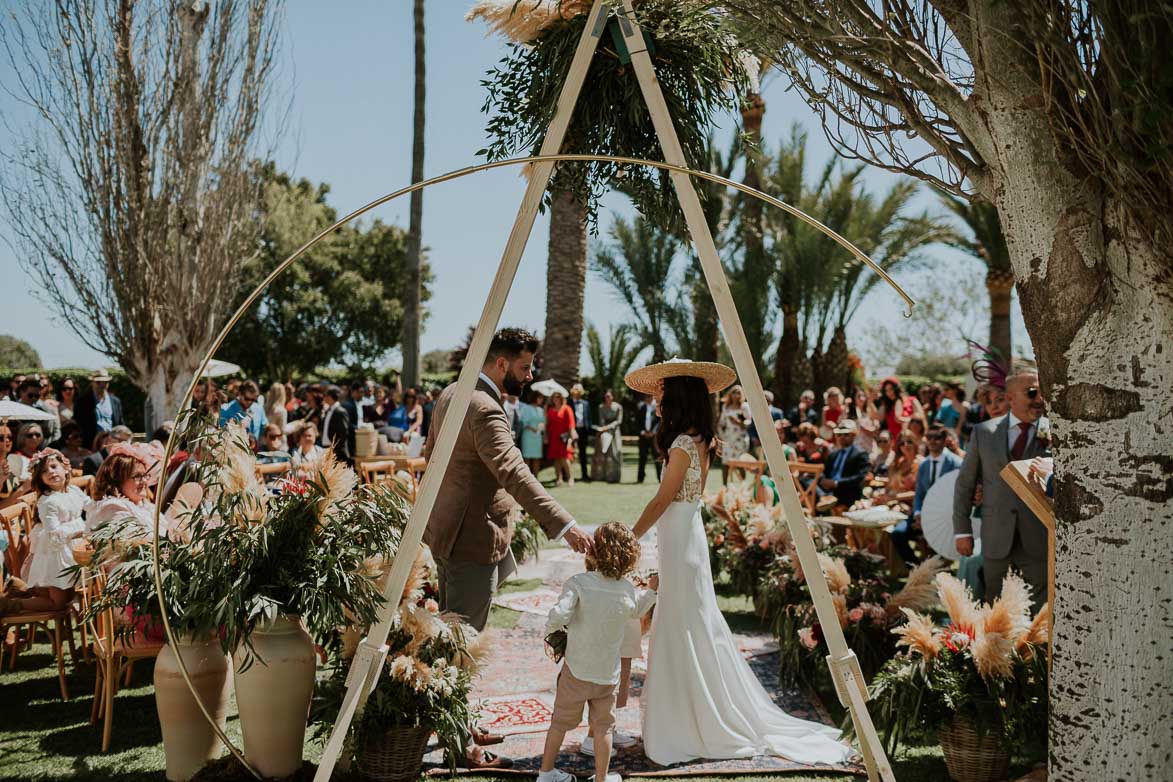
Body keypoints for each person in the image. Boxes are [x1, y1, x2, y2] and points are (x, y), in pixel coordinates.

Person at [626, 359, 851, 767]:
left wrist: (628, 536)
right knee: (688, 620)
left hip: (680, 536)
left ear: (677, 395)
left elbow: (663, 499)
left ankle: (687, 722)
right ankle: (689, 711)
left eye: (661, 390)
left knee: (683, 622)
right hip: (684, 535)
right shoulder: (698, 439)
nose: (655, 397)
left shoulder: (681, 445)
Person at [423, 328, 593, 770]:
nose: (530, 374)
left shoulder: (451, 393)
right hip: (470, 538)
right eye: (524, 366)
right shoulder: (484, 407)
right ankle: (461, 745)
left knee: (453, 635)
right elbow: (514, 472)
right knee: (463, 644)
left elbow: (431, 455)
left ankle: (457, 722)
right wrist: (566, 526)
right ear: (501, 364)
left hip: (448, 532)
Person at [540, 523, 657, 782]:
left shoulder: (579, 583)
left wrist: (553, 631)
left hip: (576, 671)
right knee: (604, 728)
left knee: (559, 723)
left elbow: (559, 614)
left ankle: (546, 773)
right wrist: (651, 591)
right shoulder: (626, 589)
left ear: (593, 551)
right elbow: (637, 611)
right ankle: (602, 779)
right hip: (606, 676)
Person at [954, 372, 1051, 606]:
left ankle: (1035, 645)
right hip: (996, 535)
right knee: (997, 606)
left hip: (1038, 536)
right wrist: (962, 531)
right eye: (1031, 393)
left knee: (1040, 608)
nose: (1038, 398)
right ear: (1011, 398)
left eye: (1040, 392)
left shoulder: (1055, 431)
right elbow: (965, 482)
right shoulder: (983, 433)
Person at [0, 450, 86, 617]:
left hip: (69, 549)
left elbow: (89, 505)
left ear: (66, 468)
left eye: (54, 467)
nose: (51, 472)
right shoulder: (48, 501)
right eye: (45, 471)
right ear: (40, 478)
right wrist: (82, 528)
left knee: (68, 596)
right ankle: (8, 604)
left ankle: (20, 589)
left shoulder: (73, 490)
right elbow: (54, 534)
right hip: (54, 555)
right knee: (57, 604)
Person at [891, 424, 963, 565]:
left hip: (945, 517)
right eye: (929, 437)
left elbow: (957, 496)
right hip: (921, 514)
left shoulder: (956, 464)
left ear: (944, 440)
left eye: (937, 438)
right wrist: (918, 513)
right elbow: (919, 494)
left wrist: (930, 518)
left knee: (935, 543)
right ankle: (917, 570)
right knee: (897, 534)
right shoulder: (924, 464)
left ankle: (938, 572)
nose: (932, 441)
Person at [818, 419, 870, 508]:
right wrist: (823, 480)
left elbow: (860, 477)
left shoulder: (861, 454)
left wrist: (837, 483)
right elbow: (824, 472)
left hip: (848, 493)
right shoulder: (833, 455)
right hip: (829, 491)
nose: (842, 437)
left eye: (846, 434)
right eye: (839, 434)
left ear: (854, 435)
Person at [74, 369, 124, 448]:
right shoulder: (82, 402)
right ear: (92, 383)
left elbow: (120, 423)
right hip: (90, 445)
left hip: (112, 444)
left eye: (105, 382)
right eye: (98, 382)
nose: (102, 385)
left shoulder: (115, 401)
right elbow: (78, 424)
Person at [717, 384, 751, 484]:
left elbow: (749, 422)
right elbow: (721, 422)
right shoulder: (726, 407)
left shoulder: (744, 406)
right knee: (725, 463)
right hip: (728, 439)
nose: (736, 395)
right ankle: (724, 487)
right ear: (730, 394)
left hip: (740, 439)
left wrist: (738, 422)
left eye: (738, 393)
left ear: (741, 395)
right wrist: (721, 435)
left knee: (740, 463)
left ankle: (743, 486)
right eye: (734, 392)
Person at [219, 380, 268, 444]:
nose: (250, 402)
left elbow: (264, 429)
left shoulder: (259, 409)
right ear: (240, 394)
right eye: (247, 399)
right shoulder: (225, 409)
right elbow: (222, 434)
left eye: (253, 400)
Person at [545, 391, 576, 487]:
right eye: (554, 397)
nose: (556, 399)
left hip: (564, 438)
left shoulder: (567, 409)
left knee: (565, 458)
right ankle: (559, 479)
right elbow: (547, 424)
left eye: (558, 397)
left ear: (561, 398)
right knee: (556, 459)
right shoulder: (550, 410)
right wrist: (546, 436)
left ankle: (570, 478)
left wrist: (570, 439)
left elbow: (571, 425)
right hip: (553, 437)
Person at [593, 390, 624, 484]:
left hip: (615, 433)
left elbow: (618, 421)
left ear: (612, 397)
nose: (607, 398)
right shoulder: (601, 407)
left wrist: (608, 427)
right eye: (606, 396)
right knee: (603, 454)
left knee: (615, 453)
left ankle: (616, 476)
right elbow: (601, 420)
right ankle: (602, 476)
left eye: (609, 396)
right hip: (604, 432)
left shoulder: (618, 407)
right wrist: (603, 429)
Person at [0, 421, 31, 509]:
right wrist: (23, 489)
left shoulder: (13, 460)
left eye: (10, 437)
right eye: (1, 438)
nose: (7, 440)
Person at [319, 385, 352, 464]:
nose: (324, 397)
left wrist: (335, 449)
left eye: (325, 395)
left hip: (335, 451)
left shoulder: (341, 412)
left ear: (330, 396)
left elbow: (343, 433)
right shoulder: (327, 410)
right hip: (325, 449)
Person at [518, 389, 547, 477]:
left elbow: (543, 422)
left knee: (537, 458)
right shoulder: (526, 408)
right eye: (540, 398)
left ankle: (536, 478)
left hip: (537, 437)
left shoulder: (541, 410)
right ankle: (527, 478)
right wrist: (533, 429)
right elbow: (524, 423)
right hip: (528, 436)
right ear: (535, 398)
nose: (541, 400)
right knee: (527, 458)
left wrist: (542, 425)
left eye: (542, 398)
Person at [569, 384, 592, 483]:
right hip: (572, 430)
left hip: (583, 431)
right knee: (569, 452)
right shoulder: (568, 403)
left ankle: (585, 475)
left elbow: (589, 417)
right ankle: (567, 475)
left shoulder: (586, 403)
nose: (577, 394)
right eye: (575, 392)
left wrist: (589, 429)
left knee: (583, 454)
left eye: (579, 392)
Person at [636, 393, 660, 483]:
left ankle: (660, 478)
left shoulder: (657, 406)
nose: (647, 398)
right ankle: (640, 478)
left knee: (657, 457)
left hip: (654, 437)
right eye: (645, 396)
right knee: (642, 457)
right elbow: (637, 422)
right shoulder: (641, 407)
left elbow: (660, 421)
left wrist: (653, 432)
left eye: (649, 396)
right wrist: (643, 432)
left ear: (653, 396)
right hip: (643, 437)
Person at [266, 383, 289, 450]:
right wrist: (296, 425)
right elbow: (283, 430)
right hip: (279, 444)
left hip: (267, 443)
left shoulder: (264, 408)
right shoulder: (282, 410)